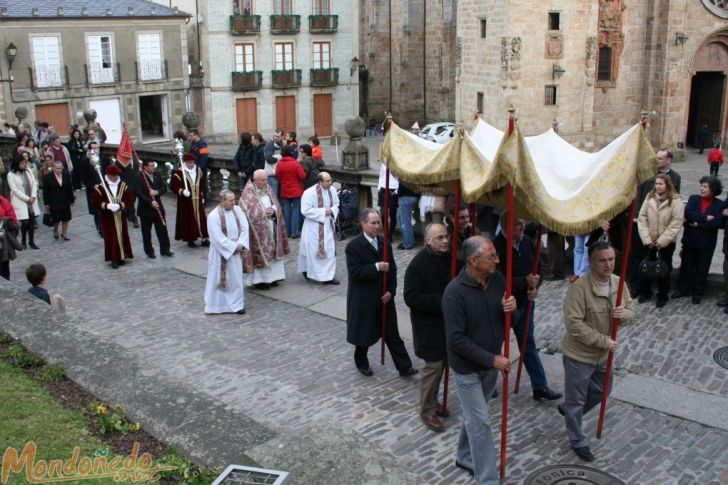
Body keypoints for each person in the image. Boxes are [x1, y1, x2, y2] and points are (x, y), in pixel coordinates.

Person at [442, 235, 516, 483]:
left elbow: (510, 323)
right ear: (474, 261)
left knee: (475, 416)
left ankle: (464, 455)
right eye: (491, 256)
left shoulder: (497, 280)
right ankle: (488, 479)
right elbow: (456, 341)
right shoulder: (454, 293)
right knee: (481, 422)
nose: (497, 259)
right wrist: (492, 359)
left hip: (489, 368)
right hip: (467, 370)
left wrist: (512, 310)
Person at [560, 241, 636, 462]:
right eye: (602, 260)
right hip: (579, 355)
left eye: (611, 259)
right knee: (576, 400)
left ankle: (569, 411)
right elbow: (574, 324)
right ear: (591, 262)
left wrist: (624, 315)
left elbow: (632, 310)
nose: (608, 264)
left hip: (603, 355)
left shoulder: (618, 283)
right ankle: (577, 439)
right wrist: (604, 341)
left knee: (603, 390)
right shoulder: (579, 289)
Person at [495, 213, 563, 401]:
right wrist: (523, 282)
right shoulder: (496, 246)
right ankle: (489, 381)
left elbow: (539, 267)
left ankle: (540, 386)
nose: (523, 229)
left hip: (525, 303)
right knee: (494, 343)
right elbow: (497, 279)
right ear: (507, 226)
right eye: (518, 225)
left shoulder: (526, 242)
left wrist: (535, 286)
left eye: (523, 224)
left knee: (528, 344)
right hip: (505, 306)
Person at [346, 208, 418, 378]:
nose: (377, 226)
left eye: (378, 222)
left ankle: (404, 366)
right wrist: (376, 267)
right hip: (364, 298)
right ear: (363, 224)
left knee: (392, 334)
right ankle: (361, 361)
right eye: (373, 223)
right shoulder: (353, 247)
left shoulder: (384, 243)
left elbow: (392, 270)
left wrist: (390, 292)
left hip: (384, 297)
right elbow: (355, 273)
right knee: (365, 334)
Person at [404, 223, 452, 432]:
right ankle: (427, 411)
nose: (444, 241)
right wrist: (443, 300)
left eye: (445, 236)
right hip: (428, 327)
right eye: (439, 238)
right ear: (428, 240)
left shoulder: (449, 259)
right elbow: (411, 297)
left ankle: (433, 402)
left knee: (441, 366)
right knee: (432, 369)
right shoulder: (418, 265)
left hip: (446, 325)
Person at [673, 176, 724, 304]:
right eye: (701, 185)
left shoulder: (719, 204)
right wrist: (706, 218)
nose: (701, 188)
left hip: (706, 244)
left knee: (702, 269)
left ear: (713, 189)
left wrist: (699, 223)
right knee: (686, 267)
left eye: (705, 186)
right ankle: (682, 289)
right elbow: (689, 214)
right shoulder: (693, 199)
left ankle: (698, 293)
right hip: (690, 240)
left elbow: (718, 222)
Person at [636, 174, 684, 307]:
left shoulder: (676, 200)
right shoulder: (649, 197)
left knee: (664, 267)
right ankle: (646, 292)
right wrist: (647, 239)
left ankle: (662, 295)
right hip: (649, 240)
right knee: (647, 265)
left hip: (666, 242)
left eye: (660, 184)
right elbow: (642, 218)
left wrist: (662, 241)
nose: (657, 186)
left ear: (667, 185)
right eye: (656, 184)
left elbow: (676, 223)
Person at [239, 169, 289, 289]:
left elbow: (276, 204)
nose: (265, 182)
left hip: (272, 225)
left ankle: (273, 277)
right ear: (255, 180)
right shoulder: (248, 193)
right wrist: (262, 213)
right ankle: (260, 281)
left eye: (266, 179)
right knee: (261, 253)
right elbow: (245, 210)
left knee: (273, 252)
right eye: (263, 180)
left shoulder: (268, 188)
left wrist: (273, 210)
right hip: (257, 231)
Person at [204, 190, 250, 314]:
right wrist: (234, 247)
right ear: (222, 201)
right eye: (230, 201)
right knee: (218, 278)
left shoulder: (237, 210)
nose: (233, 203)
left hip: (236, 251)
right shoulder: (213, 216)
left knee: (235, 279)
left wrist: (241, 243)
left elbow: (245, 227)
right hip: (221, 253)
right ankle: (218, 306)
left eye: (234, 200)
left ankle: (237, 304)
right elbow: (216, 238)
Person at [298, 172, 339, 284]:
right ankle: (313, 273)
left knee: (329, 249)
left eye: (330, 180)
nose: (330, 183)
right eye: (327, 181)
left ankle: (328, 276)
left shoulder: (333, 190)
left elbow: (336, 204)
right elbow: (305, 210)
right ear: (320, 182)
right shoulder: (309, 193)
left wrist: (332, 210)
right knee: (314, 250)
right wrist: (323, 211)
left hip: (328, 224)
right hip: (314, 226)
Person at [92, 164, 133, 269]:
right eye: (113, 176)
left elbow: (129, 199)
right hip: (108, 217)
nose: (115, 178)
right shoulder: (102, 187)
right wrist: (107, 205)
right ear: (108, 175)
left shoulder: (123, 185)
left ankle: (122, 256)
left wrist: (120, 205)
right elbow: (95, 201)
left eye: (116, 175)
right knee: (112, 237)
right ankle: (114, 258)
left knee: (122, 234)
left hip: (120, 215)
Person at [135, 159, 173, 258]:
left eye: (154, 165)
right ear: (145, 167)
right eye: (151, 166)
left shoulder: (157, 174)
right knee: (146, 233)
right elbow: (139, 193)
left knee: (162, 230)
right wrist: (150, 202)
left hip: (158, 208)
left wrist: (156, 192)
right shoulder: (139, 177)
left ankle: (165, 249)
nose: (153, 168)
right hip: (145, 209)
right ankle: (149, 251)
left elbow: (164, 188)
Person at [171, 153, 209, 248]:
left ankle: (204, 238)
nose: (192, 164)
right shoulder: (180, 173)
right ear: (185, 162)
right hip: (186, 201)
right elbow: (173, 186)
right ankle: (190, 239)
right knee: (189, 219)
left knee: (202, 219)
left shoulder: (198, 170)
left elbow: (202, 184)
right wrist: (182, 191)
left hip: (197, 199)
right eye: (189, 163)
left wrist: (202, 195)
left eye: (193, 162)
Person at [7, 157, 40, 249]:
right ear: (17, 164)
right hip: (20, 201)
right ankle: (23, 241)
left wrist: (33, 196)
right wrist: (27, 198)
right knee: (25, 221)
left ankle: (31, 242)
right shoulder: (11, 174)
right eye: (22, 163)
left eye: (25, 163)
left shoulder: (28, 171)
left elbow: (34, 183)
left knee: (31, 221)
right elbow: (15, 190)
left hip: (31, 200)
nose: (24, 165)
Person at [275, 145, 306, 239]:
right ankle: (294, 231)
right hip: (296, 190)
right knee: (296, 210)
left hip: (285, 189)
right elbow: (302, 176)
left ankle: (287, 232)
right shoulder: (295, 163)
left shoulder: (279, 164)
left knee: (287, 210)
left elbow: (277, 176)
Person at [43, 161, 75, 241]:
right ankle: (55, 229)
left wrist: (71, 200)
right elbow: (45, 191)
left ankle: (64, 233)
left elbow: (69, 188)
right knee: (56, 219)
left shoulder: (66, 175)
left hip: (65, 200)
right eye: (57, 168)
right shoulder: (47, 177)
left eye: (61, 168)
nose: (59, 170)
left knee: (66, 218)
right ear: (53, 168)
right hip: (54, 201)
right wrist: (46, 203)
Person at [79, 142, 103, 235]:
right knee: (97, 211)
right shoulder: (85, 161)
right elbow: (83, 178)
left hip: (103, 187)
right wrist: (93, 185)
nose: (96, 150)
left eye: (97, 148)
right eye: (93, 149)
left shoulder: (103, 158)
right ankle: (100, 229)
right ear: (89, 150)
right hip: (93, 189)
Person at [377, 163, 398, 238]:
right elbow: (381, 175)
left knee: (393, 213)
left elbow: (400, 177)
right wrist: (379, 188)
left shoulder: (397, 162)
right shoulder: (384, 163)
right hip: (383, 188)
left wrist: (397, 190)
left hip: (393, 188)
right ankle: (386, 233)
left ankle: (390, 234)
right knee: (383, 213)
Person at [0, 195, 19, 280]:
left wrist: (9, 226)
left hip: (3, 242)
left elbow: (12, 218)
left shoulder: (2, 200)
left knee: (4, 270)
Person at [396, 184, 419, 250]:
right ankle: (409, 240)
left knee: (405, 222)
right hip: (411, 196)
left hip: (406, 196)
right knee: (400, 218)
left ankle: (409, 243)